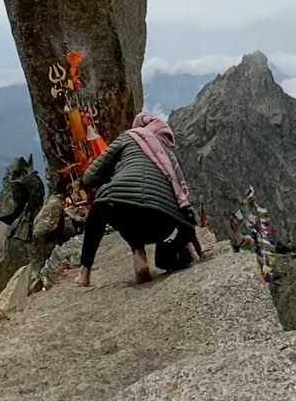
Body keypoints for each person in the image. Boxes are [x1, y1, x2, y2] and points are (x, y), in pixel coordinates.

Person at [75, 111, 201, 286]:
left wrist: (115, 174)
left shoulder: (129, 137)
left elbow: (89, 178)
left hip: (125, 213)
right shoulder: (171, 153)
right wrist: (193, 244)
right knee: (147, 205)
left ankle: (85, 273)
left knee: (102, 203)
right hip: (162, 225)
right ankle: (139, 252)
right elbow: (183, 200)